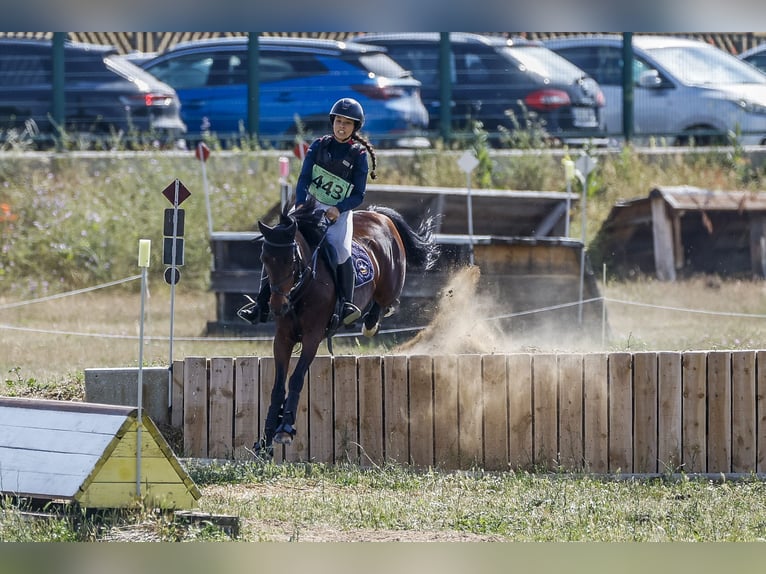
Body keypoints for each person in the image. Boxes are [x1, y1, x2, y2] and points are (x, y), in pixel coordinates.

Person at [238, 97, 378, 326]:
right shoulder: (318, 145)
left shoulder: (359, 156)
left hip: (338, 212)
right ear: (333, 122)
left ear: (355, 128)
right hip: (308, 206)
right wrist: (301, 203)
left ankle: (346, 305)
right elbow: (303, 179)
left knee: (342, 252)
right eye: (339, 121)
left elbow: (358, 195)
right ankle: (260, 303)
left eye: (348, 123)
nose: (341, 126)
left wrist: (338, 209)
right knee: (279, 243)